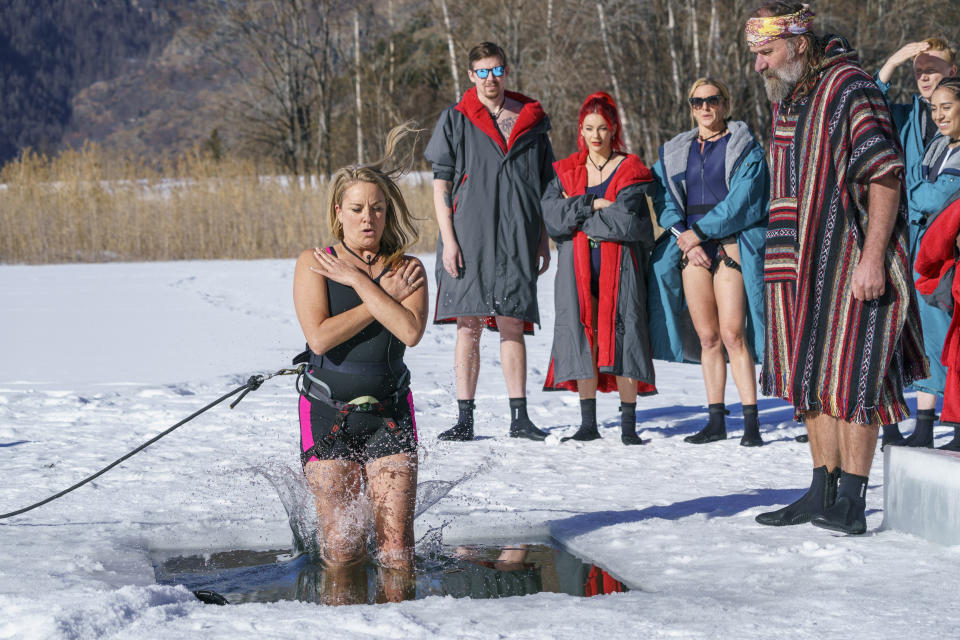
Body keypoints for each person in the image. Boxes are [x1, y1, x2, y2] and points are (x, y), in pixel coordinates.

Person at [746, 3, 928, 535]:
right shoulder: (789, 97)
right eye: (755, 53)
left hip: (848, 255)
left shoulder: (852, 87)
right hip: (792, 261)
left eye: (767, 51)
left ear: (799, 43)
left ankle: (851, 496)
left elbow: (885, 175)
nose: (759, 65)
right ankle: (821, 488)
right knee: (808, 378)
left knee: (854, 374)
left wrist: (873, 258)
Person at [292, 123, 428, 585]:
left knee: (397, 553)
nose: (367, 218)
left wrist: (363, 284)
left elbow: (409, 332)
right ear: (339, 212)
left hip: (390, 414)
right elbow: (320, 339)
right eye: (356, 209)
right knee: (343, 552)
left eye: (377, 208)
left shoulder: (407, 268)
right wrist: (372, 291)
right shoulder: (315, 263)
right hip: (328, 413)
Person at [425, 42, 554, 442]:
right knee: (469, 324)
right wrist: (449, 241)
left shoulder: (530, 121)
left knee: (513, 321)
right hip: (469, 234)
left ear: (507, 70)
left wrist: (542, 239)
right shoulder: (456, 118)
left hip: (518, 233)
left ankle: (520, 417)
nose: (490, 79)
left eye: (496, 70)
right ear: (470, 76)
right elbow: (440, 186)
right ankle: (465, 418)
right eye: (482, 72)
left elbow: (547, 185)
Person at [649, 78, 769, 447]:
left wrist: (698, 233)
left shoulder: (746, 148)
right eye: (697, 101)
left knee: (734, 334)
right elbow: (665, 199)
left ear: (725, 104)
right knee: (707, 337)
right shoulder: (674, 151)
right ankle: (715, 420)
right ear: (690, 106)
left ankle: (751, 422)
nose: (705, 107)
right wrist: (684, 237)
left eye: (712, 100)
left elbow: (743, 201)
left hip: (729, 243)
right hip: (691, 247)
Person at [540, 92, 657, 445]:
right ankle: (587, 424)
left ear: (614, 128)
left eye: (603, 128)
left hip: (620, 273)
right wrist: (592, 203)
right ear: (580, 130)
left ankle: (628, 427)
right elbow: (552, 219)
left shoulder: (630, 168)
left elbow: (624, 224)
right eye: (589, 128)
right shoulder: (565, 172)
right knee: (581, 340)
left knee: (625, 338)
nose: (596, 136)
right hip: (575, 275)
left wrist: (578, 217)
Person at [877, 42, 959, 449]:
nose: (923, 76)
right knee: (921, 332)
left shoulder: (954, 118)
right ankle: (924, 424)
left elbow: (944, 188)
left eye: (932, 68)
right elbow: (870, 108)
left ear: (953, 68)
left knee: (946, 330)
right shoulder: (911, 115)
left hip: (946, 241)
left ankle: (951, 421)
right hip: (912, 240)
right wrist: (891, 64)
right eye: (918, 71)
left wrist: (912, 193)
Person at [910, 77, 960, 451]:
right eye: (934, 108)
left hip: (951, 258)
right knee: (930, 340)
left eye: (948, 107)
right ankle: (925, 427)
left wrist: (907, 188)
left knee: (953, 341)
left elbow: (935, 194)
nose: (939, 115)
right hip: (930, 257)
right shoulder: (939, 145)